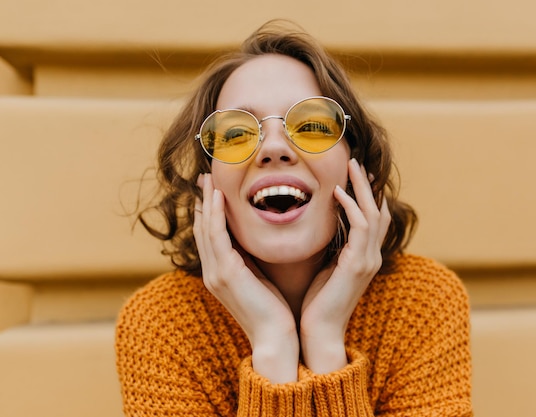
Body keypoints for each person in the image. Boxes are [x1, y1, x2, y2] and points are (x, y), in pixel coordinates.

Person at [115, 19, 472, 416]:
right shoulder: (162, 326)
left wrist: (325, 339)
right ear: (208, 182)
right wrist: (272, 343)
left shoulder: (421, 304)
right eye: (234, 134)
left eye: (313, 125)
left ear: (355, 164)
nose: (273, 148)